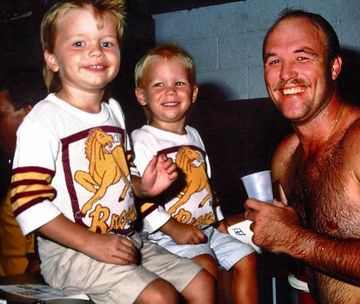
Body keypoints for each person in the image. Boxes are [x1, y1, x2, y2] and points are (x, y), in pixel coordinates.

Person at [11, 1, 215, 303]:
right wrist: (92, 243)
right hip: (73, 252)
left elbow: (122, 179)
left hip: (128, 238)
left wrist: (143, 187)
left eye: (106, 42)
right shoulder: (42, 119)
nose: (95, 51)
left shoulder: (114, 112)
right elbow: (27, 202)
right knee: (160, 297)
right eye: (79, 43)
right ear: (52, 58)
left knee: (202, 282)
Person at [244, 8, 360, 304]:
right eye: (274, 61)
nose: (286, 74)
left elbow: (296, 240)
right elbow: (292, 242)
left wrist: (295, 241)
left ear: (334, 67)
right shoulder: (286, 156)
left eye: (303, 57)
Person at [131, 44, 258, 304]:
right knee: (205, 267)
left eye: (179, 83)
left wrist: (219, 219)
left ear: (194, 92)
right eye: (158, 85)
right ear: (141, 95)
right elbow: (137, 197)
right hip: (164, 236)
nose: (170, 91)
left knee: (246, 257)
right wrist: (172, 227)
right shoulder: (141, 140)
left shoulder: (194, 135)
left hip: (205, 228)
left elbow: (206, 186)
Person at [0, 67, 46, 276]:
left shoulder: (43, 176)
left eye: (1, 116)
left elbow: (38, 265)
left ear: (28, 113)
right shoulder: (18, 168)